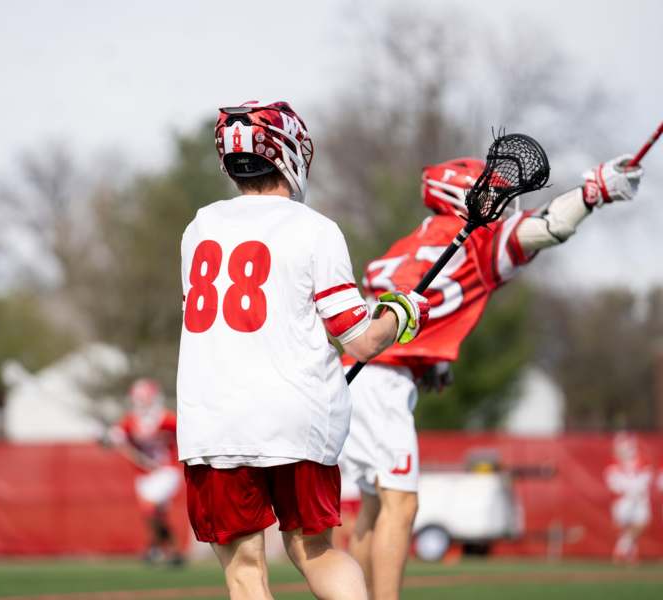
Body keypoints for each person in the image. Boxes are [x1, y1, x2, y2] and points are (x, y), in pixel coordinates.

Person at [340, 154, 644, 598]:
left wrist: (430, 360)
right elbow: (548, 227)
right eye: (485, 191)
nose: (498, 198)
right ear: (457, 196)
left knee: (374, 506)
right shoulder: (472, 241)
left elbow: (396, 310)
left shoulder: (406, 244)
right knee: (401, 504)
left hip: (357, 374)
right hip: (383, 381)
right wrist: (592, 192)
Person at [176, 100, 428, 600]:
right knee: (315, 550)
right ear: (287, 151)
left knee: (245, 574)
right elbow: (357, 338)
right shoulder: (315, 229)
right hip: (296, 416)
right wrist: (401, 313)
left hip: (214, 421)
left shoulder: (198, 227)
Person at [103, 378, 184, 565]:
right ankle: (169, 550)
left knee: (151, 506)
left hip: (166, 470)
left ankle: (157, 548)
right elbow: (111, 440)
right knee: (155, 514)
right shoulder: (130, 421)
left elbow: (185, 432)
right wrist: (107, 438)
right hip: (144, 475)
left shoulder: (167, 418)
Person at [605, 432, 653, 564]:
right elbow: (614, 485)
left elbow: (646, 477)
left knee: (640, 524)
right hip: (624, 500)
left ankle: (622, 549)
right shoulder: (614, 467)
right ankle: (630, 553)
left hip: (640, 499)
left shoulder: (641, 462)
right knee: (626, 527)